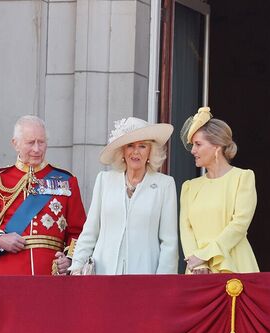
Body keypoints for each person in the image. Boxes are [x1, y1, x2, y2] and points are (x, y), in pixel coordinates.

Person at [0, 115, 86, 275]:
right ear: (15, 144)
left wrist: (70, 259)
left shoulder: (66, 180)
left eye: (41, 142)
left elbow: (78, 232)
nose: (37, 149)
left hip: (51, 275)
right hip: (9, 274)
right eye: (30, 142)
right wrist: (0, 240)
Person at [68, 117, 178, 275]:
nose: (136, 152)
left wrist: (163, 282)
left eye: (142, 146)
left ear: (150, 152)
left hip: (145, 275)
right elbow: (90, 231)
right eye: (130, 146)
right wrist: (76, 266)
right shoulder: (104, 180)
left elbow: (169, 242)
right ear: (122, 151)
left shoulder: (164, 184)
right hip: (104, 274)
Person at [179, 107, 258, 273]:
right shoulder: (189, 187)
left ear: (217, 146)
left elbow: (239, 225)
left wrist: (206, 255)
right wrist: (199, 263)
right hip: (197, 270)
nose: (193, 150)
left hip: (235, 265)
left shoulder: (243, 178)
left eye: (198, 144)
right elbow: (186, 230)